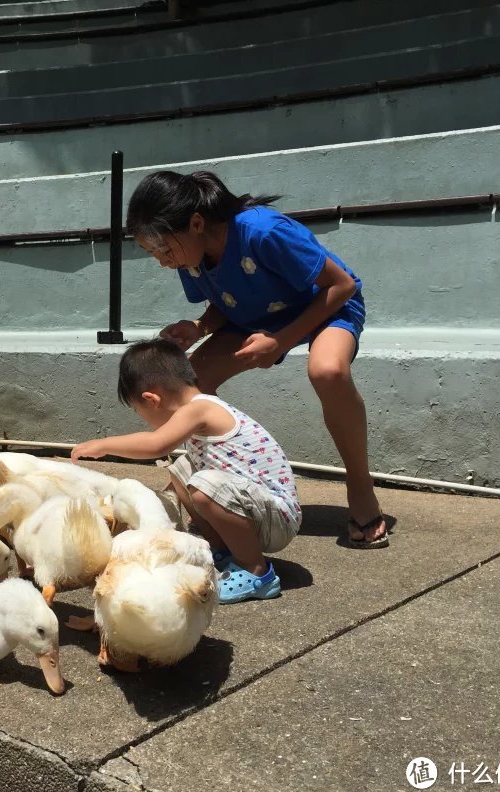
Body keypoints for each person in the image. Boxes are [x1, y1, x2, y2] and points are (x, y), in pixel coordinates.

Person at [125, 170, 388, 548]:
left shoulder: (262, 231)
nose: (164, 262)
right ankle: (213, 483)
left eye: (165, 249)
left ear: (196, 223)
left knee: (327, 370)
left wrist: (280, 341)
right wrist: (199, 327)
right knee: (189, 381)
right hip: (256, 318)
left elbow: (341, 285)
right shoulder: (191, 257)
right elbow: (225, 297)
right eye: (154, 254)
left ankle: (360, 486)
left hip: (328, 306)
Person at [72, 339, 299, 603]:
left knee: (204, 486)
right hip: (259, 510)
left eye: (139, 412)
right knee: (183, 470)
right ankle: (221, 550)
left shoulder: (200, 409)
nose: (145, 420)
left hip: (278, 520)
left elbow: (157, 444)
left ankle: (256, 571)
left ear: (152, 399)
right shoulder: (200, 407)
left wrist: (103, 444)